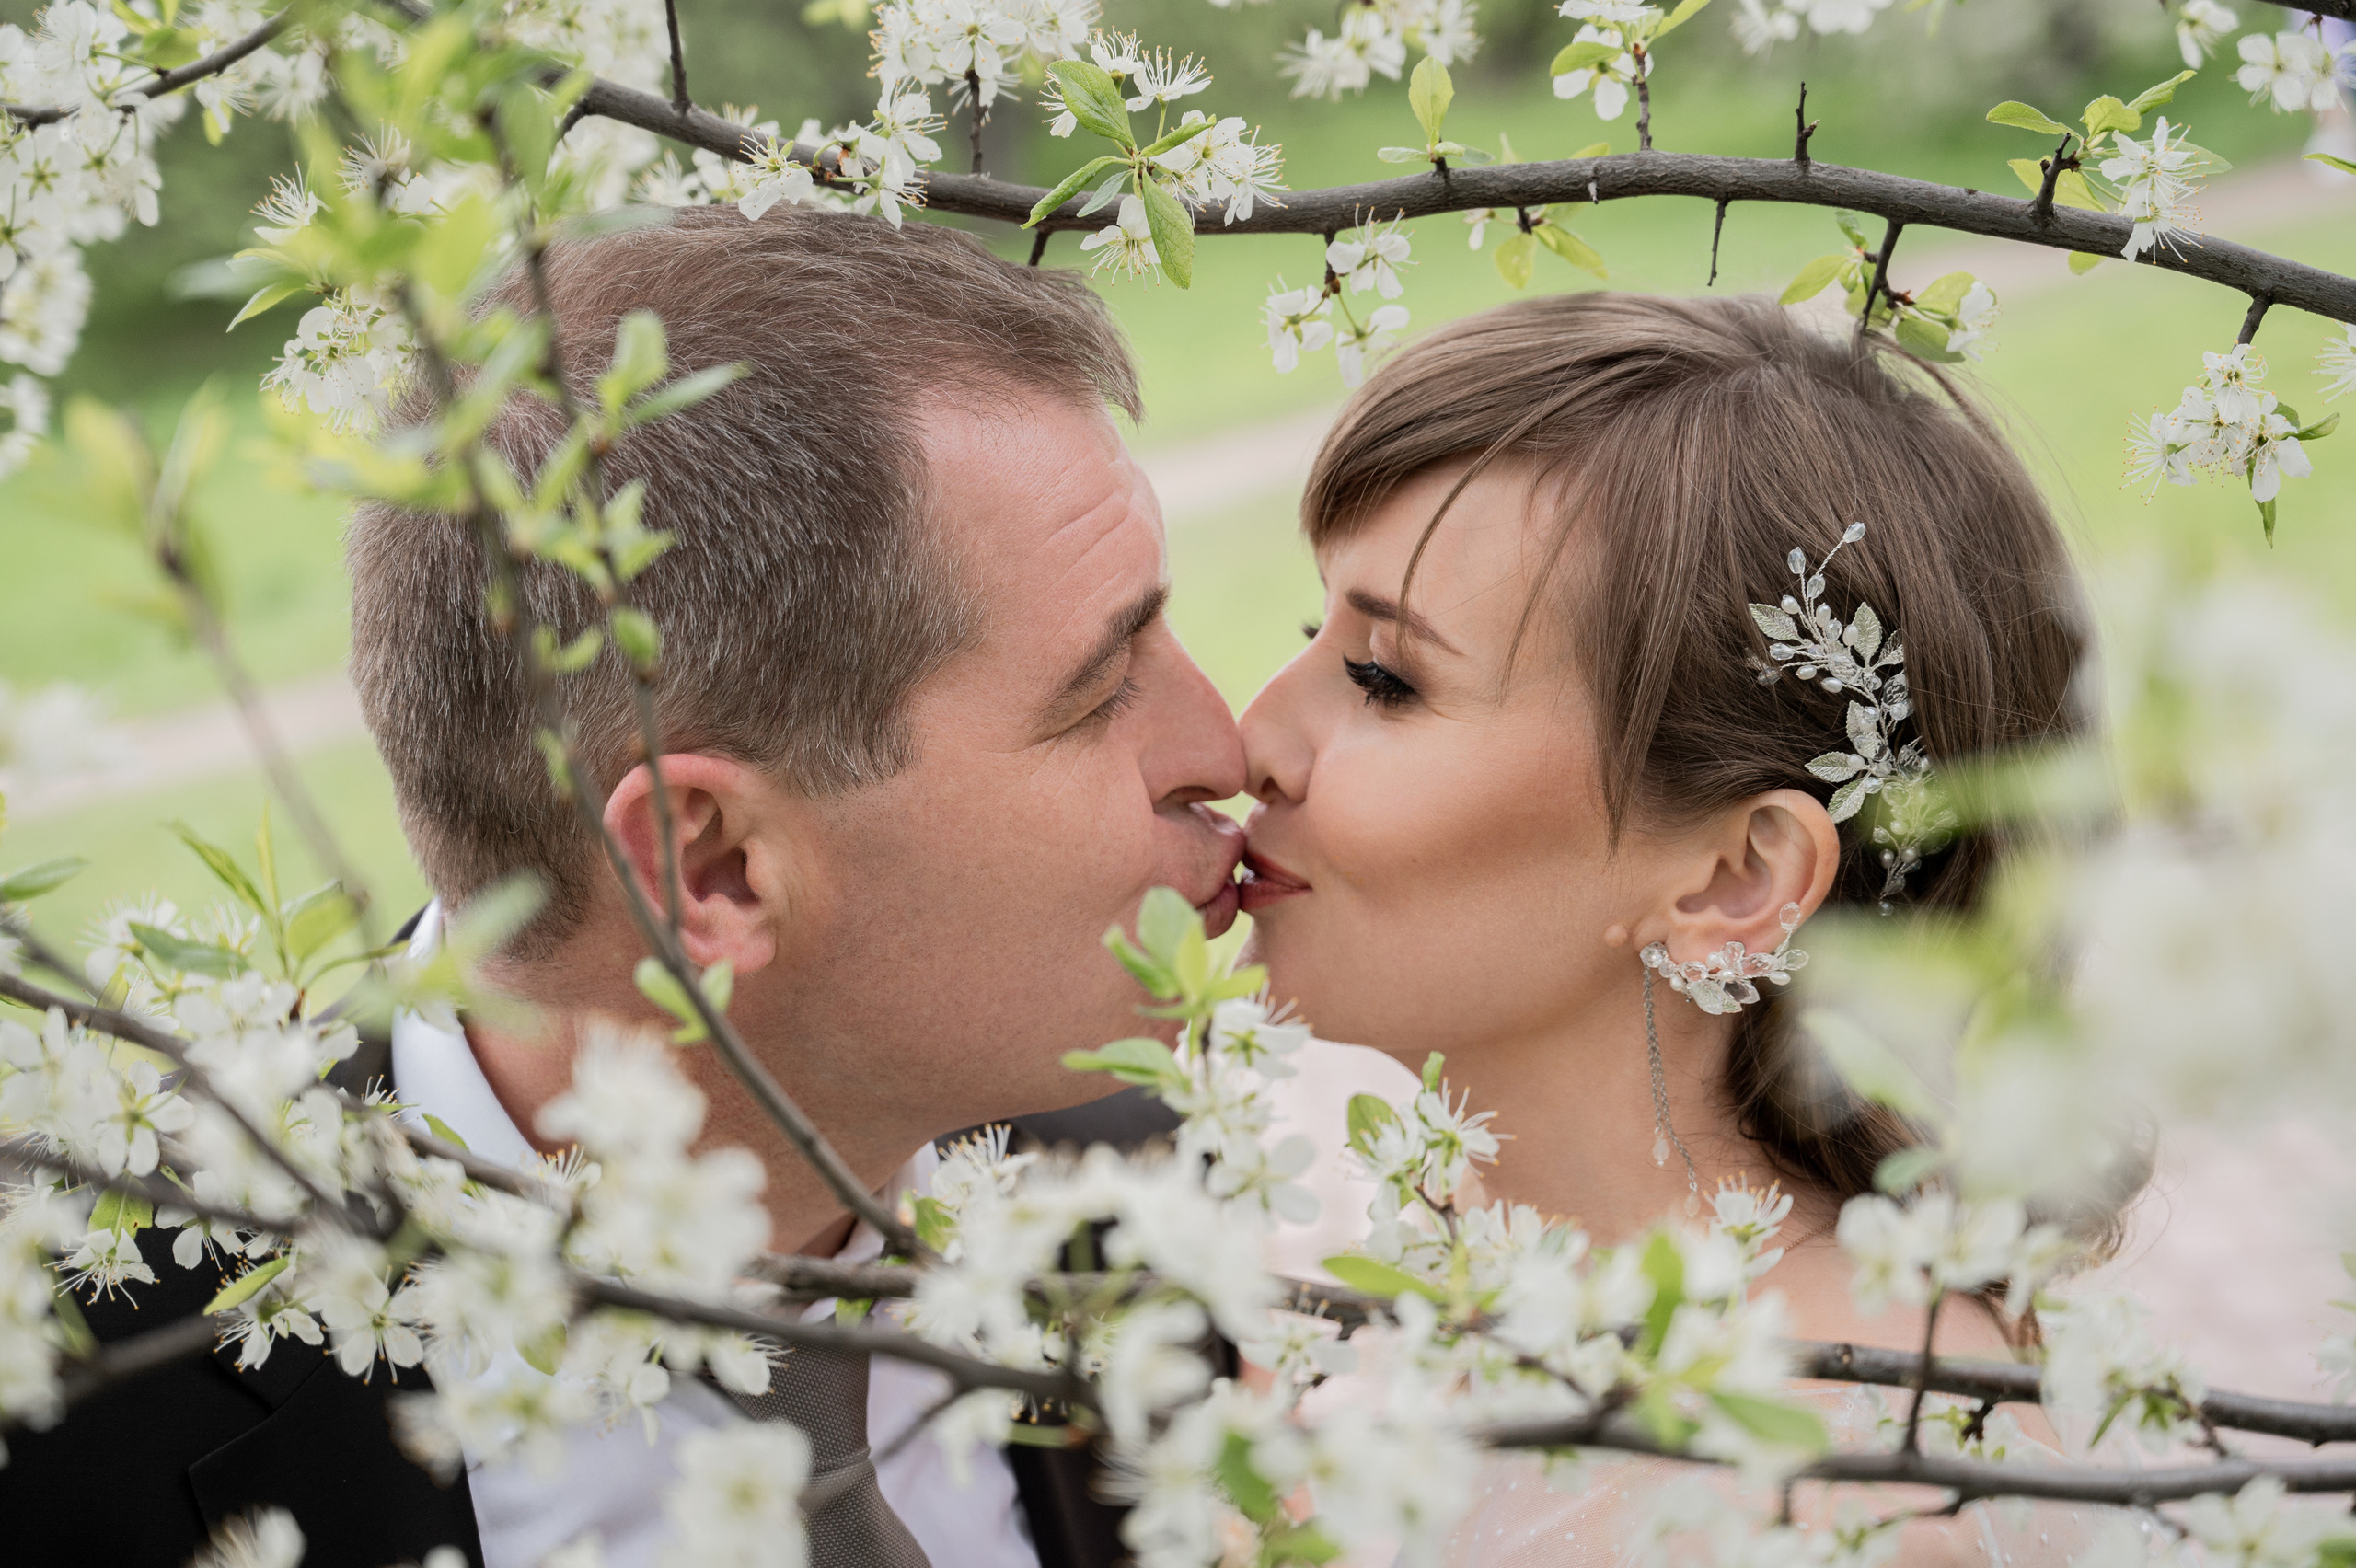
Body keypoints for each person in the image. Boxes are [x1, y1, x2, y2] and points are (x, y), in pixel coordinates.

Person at [5, 205, 1245, 1568]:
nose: (1223, 748)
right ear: (711, 867)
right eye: (1103, 688)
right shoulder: (63, 1421)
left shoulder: (1160, 1215)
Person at [1235, 292, 2145, 1563]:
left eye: (1388, 681)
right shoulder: (1316, 1256)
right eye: (1311, 636)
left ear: (1736, 878)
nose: (1254, 739)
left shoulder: (1868, 1494)